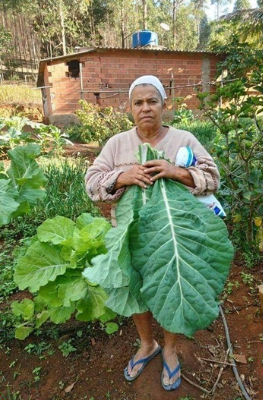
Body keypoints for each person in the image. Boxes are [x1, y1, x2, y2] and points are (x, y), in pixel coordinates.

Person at [84, 75, 220, 391]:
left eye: (152, 101)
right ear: (130, 108)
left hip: (176, 237)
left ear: (163, 105)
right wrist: (122, 176)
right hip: (130, 237)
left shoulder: (183, 139)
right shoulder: (117, 144)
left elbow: (213, 179)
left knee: (173, 288)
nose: (145, 108)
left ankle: (170, 349)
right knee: (136, 292)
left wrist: (177, 172)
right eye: (139, 102)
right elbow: (92, 185)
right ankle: (148, 345)